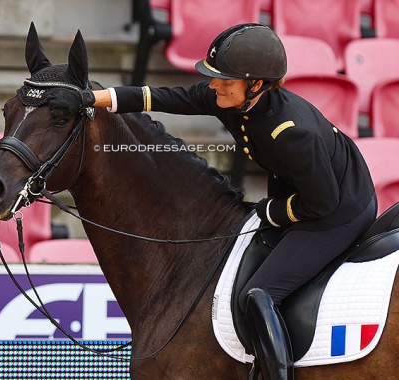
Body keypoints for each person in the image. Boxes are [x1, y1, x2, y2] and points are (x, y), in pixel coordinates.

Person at [75, 23, 377, 380]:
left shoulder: (291, 131)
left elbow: (322, 204)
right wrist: (93, 98)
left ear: (256, 85)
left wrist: (268, 211)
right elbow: (164, 96)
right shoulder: (233, 98)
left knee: (258, 293)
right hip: (305, 191)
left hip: (338, 211)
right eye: (215, 78)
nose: (213, 85)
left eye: (224, 81)